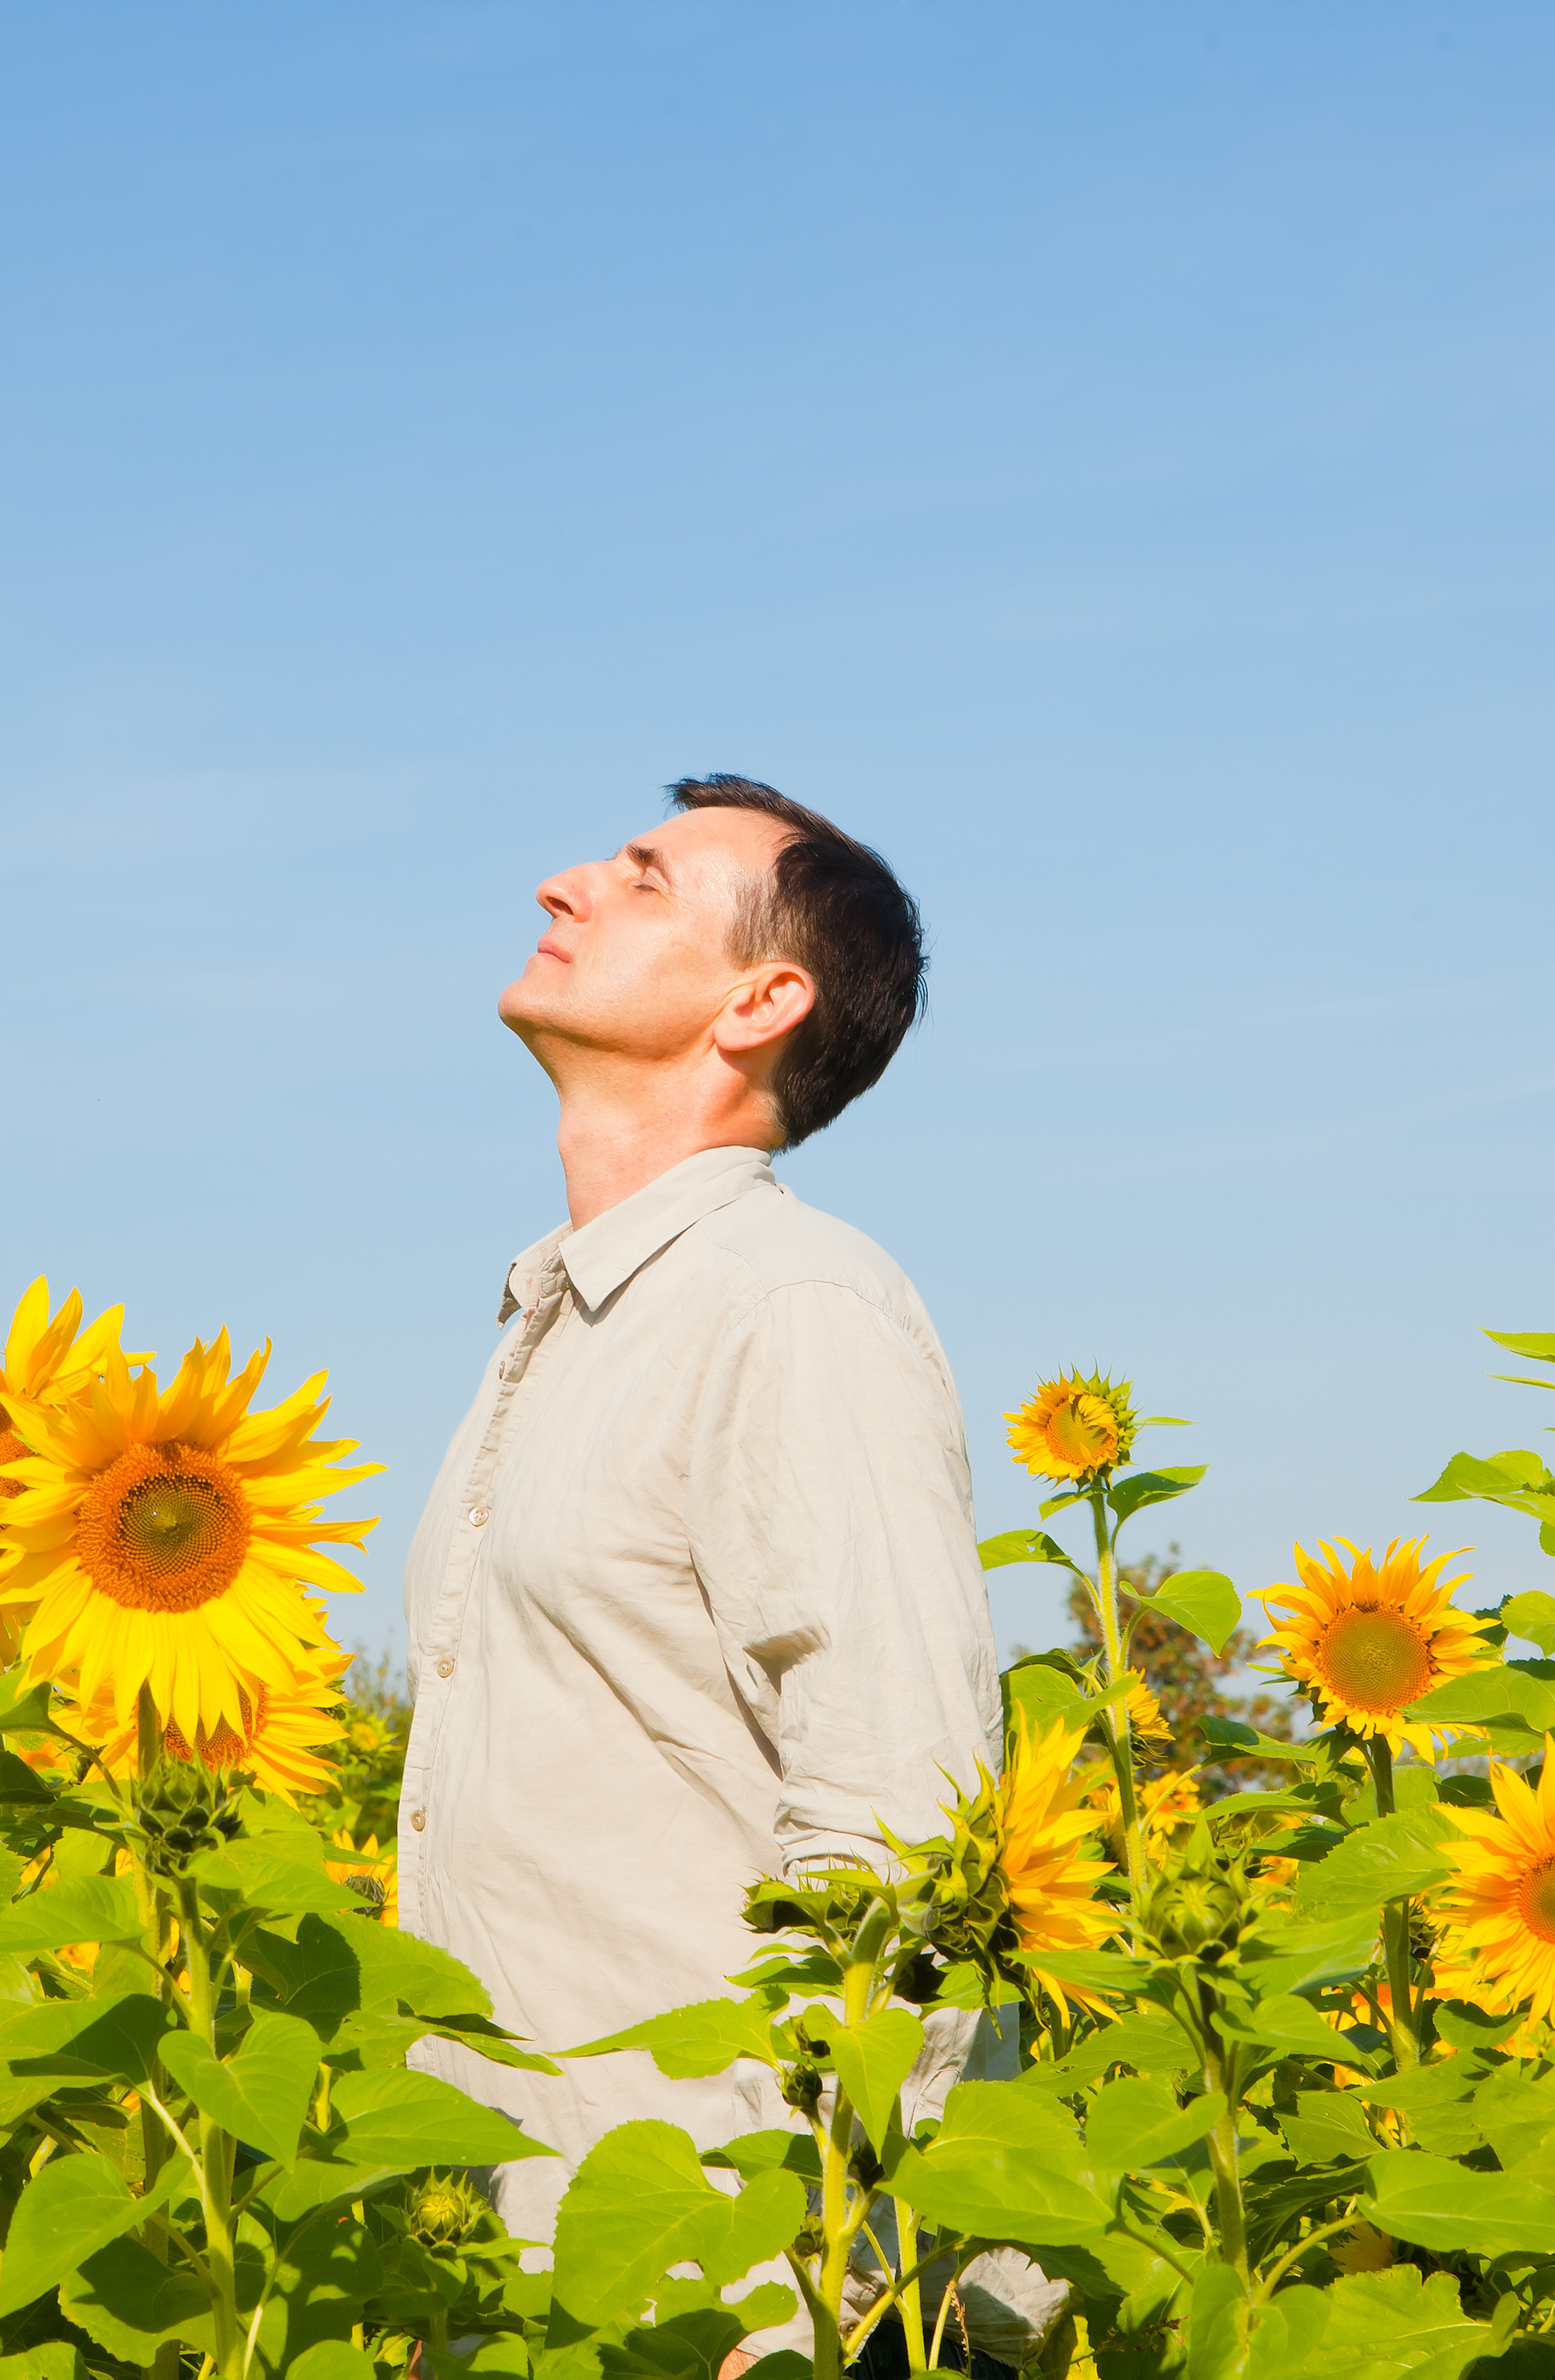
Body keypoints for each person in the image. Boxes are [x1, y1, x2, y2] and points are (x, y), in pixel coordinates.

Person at [398, 775, 1002, 2364]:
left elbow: (901, 1815)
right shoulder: (556, 1322)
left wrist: (806, 2277)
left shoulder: (792, 1306)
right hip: (532, 2255)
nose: (562, 882)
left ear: (763, 999)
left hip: (729, 2291)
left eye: (644, 877)